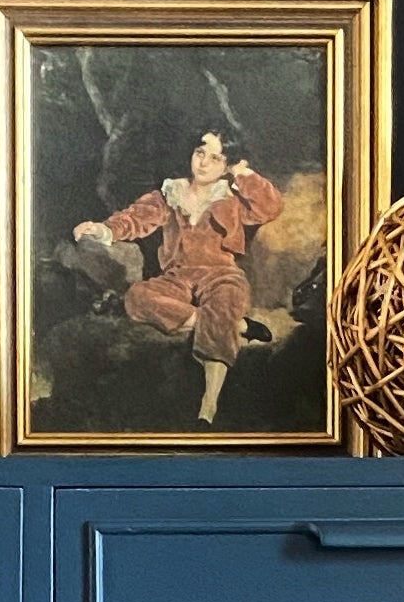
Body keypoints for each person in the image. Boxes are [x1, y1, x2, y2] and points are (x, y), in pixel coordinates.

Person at [73, 129, 284, 424]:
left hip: (221, 274)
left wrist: (242, 173)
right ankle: (235, 325)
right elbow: (135, 219)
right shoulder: (169, 194)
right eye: (200, 153)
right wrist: (101, 229)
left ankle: (208, 406)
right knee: (137, 297)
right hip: (177, 277)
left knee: (226, 297)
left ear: (226, 166)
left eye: (216, 158)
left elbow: (271, 207)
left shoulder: (232, 199)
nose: (204, 163)